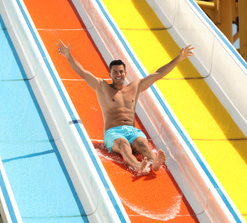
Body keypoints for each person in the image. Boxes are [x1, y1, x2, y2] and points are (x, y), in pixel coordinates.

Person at [57, 40, 194, 175]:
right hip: (113, 133)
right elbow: (83, 73)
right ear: (110, 74)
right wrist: (69, 57)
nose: (118, 75)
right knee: (124, 146)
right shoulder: (102, 87)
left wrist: (179, 58)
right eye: (115, 72)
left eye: (121, 72)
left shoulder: (135, 87)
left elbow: (158, 74)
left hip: (132, 131)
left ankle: (154, 162)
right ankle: (138, 165)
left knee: (142, 144)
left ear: (125, 73)